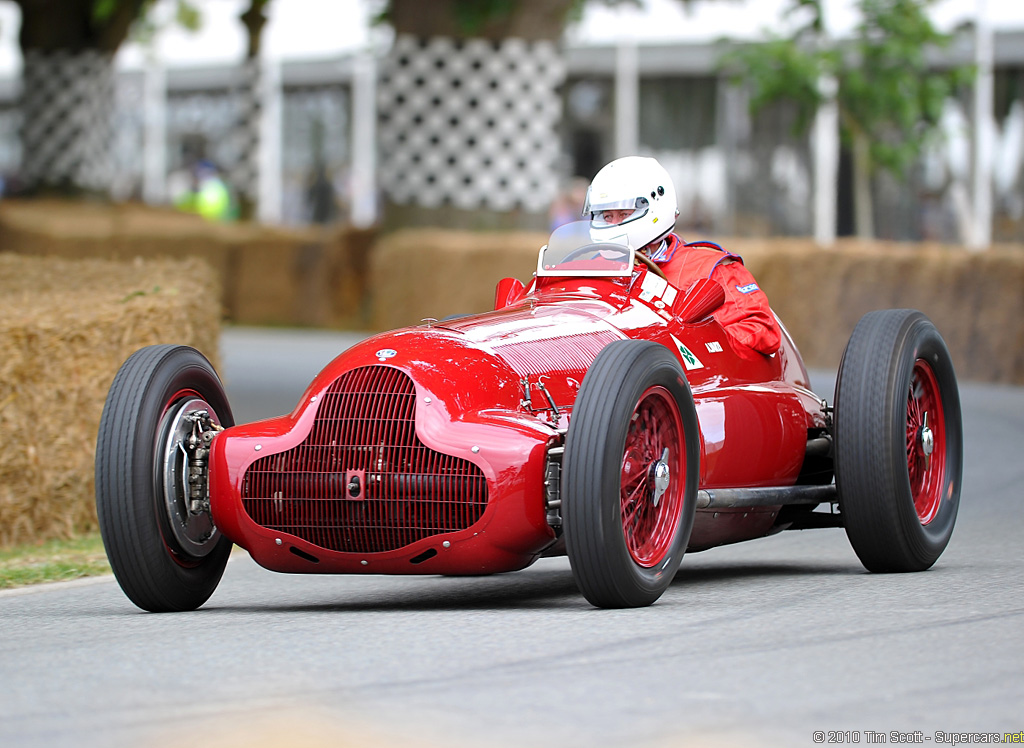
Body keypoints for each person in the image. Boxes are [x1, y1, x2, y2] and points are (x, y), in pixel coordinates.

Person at [584, 156, 780, 356]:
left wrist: (694, 341)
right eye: (607, 216)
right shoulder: (591, 270)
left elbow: (762, 330)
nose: (614, 223)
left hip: (685, 381)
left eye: (624, 213)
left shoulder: (710, 268)